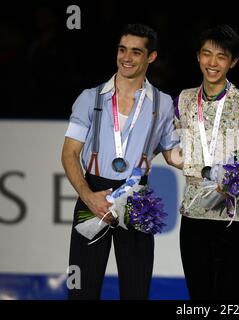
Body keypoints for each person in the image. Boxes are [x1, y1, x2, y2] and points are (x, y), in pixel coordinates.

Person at [61, 23, 181, 300]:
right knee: (81, 290)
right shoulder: (90, 98)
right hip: (94, 193)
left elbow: (172, 153)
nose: (126, 57)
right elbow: (69, 154)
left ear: (150, 57)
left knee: (136, 291)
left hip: (137, 198)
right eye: (122, 50)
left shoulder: (162, 104)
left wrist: (207, 163)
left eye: (136, 52)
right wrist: (89, 197)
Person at [174, 24, 239, 300]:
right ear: (198, 56)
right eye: (206, 54)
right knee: (198, 297)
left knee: (228, 298)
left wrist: (227, 181)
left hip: (231, 217)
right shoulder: (184, 100)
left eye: (221, 56)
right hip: (193, 213)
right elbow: (171, 151)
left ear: (233, 61)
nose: (212, 63)